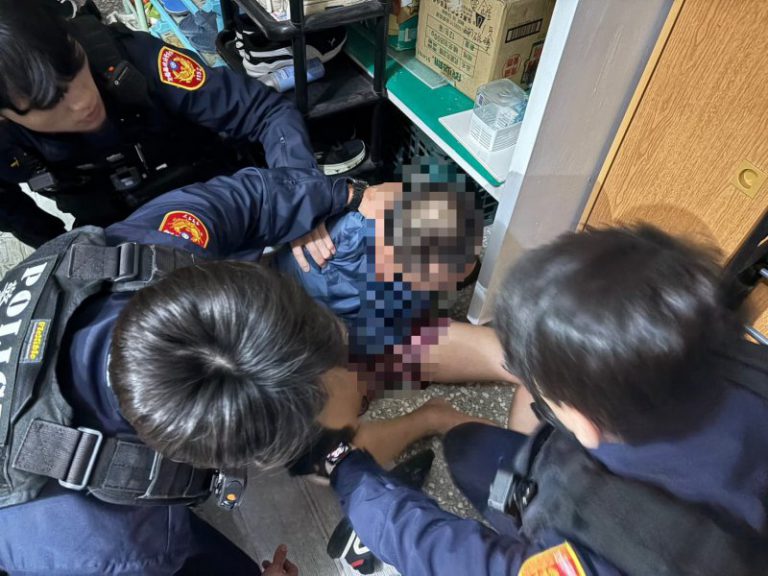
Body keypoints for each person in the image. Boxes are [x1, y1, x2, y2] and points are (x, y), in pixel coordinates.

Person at [0, 164, 505, 575]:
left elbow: (248, 195)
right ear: (242, 463)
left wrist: (347, 193)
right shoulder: (105, 550)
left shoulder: (151, 249)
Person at [328, 225, 768, 575]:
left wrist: (353, 481)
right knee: (471, 446)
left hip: (615, 531)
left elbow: (450, 556)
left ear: (585, 424)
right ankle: (451, 422)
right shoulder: (730, 354)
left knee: (466, 451)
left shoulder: (606, 552)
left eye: (546, 392)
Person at [0, 0, 316, 248]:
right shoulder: (6, 140)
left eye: (75, 65)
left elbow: (264, 112)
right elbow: (14, 214)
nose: (82, 100)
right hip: (120, 241)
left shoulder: (128, 59)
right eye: (52, 101)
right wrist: (63, 255)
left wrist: (299, 202)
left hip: (224, 198)